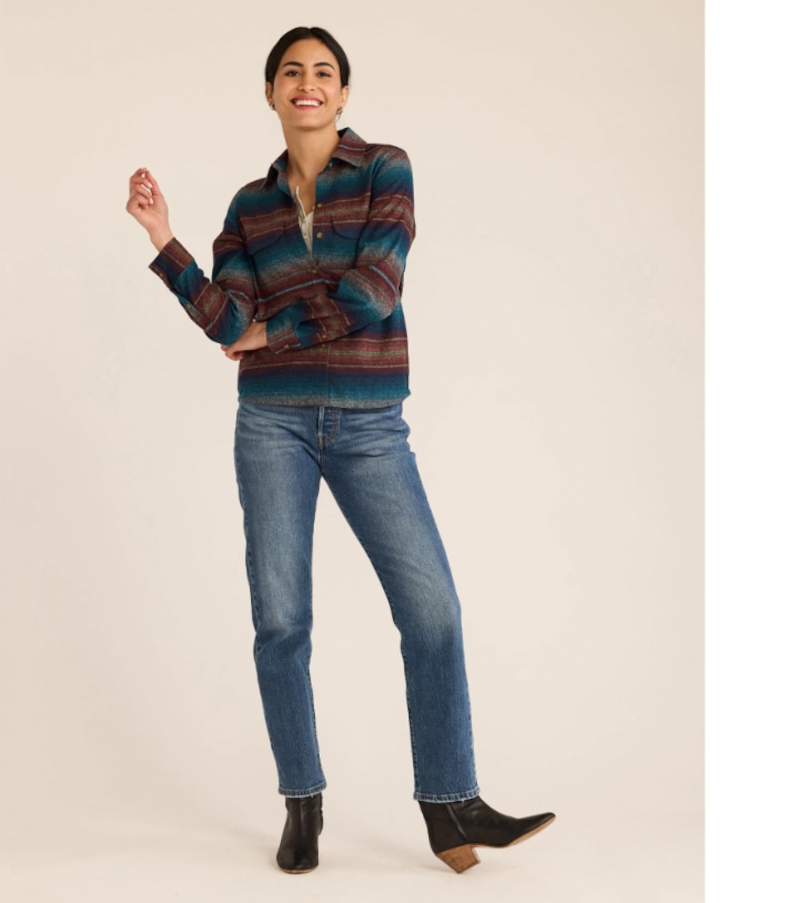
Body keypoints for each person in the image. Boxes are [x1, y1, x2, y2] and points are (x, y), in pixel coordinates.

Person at [126, 25, 555, 875]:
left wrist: (272, 331)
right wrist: (164, 241)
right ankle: (303, 801)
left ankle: (451, 803)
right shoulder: (248, 206)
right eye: (292, 71)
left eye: (324, 72)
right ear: (271, 93)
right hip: (272, 425)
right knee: (282, 621)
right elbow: (226, 321)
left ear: (344, 93)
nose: (308, 83)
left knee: (431, 609)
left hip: (368, 422)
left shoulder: (386, 170)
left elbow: (374, 290)